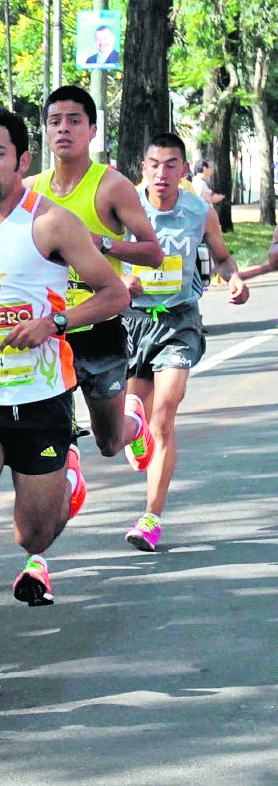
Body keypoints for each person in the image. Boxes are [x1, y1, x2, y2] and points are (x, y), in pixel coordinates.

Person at [0, 107, 129, 709]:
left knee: (34, 533)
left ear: (22, 161)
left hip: (39, 401)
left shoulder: (51, 225)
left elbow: (114, 292)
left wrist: (54, 322)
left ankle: (66, 482)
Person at [28, 86, 163, 485]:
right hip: (50, 332)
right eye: (55, 122)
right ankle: (60, 483)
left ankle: (134, 423)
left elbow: (152, 252)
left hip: (99, 328)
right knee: (51, 431)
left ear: (92, 129)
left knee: (107, 442)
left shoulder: (112, 186)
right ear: (46, 132)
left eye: (74, 121)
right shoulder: (31, 190)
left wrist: (102, 242)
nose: (64, 129)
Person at [122, 133, 248, 550]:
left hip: (178, 322)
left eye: (171, 164)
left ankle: (150, 519)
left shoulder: (198, 210)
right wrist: (121, 280)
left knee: (163, 417)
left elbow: (222, 254)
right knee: (130, 420)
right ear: (143, 168)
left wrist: (233, 278)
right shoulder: (124, 205)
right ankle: (134, 430)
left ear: (183, 169)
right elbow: (97, 254)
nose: (162, 173)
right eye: (154, 164)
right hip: (131, 322)